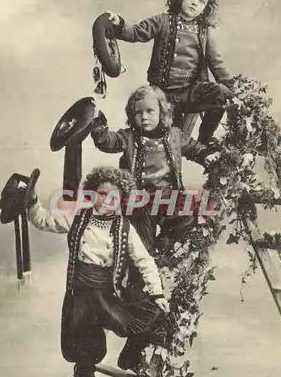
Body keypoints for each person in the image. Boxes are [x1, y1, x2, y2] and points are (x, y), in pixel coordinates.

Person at [27, 166, 169, 377]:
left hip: (108, 294)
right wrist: (32, 201)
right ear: (93, 195)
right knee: (85, 354)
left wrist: (157, 292)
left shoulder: (124, 228)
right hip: (80, 297)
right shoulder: (78, 219)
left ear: (123, 200)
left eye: (115, 197)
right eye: (102, 194)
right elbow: (45, 220)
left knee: (154, 315)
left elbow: (144, 261)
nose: (108, 201)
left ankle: (129, 355)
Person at [106, 0, 235, 144]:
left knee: (222, 94)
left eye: (202, 1)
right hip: (161, 94)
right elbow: (137, 32)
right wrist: (119, 24)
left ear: (206, 8)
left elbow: (216, 62)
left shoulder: (204, 31)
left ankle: (205, 137)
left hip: (189, 92)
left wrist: (233, 88)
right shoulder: (163, 21)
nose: (195, 3)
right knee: (170, 142)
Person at [91, 84, 218, 255]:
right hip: (140, 202)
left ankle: (163, 242)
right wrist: (98, 123)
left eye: (150, 111)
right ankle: (147, 259)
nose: (144, 117)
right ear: (131, 115)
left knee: (189, 216)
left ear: (162, 111)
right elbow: (108, 142)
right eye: (138, 112)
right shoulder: (128, 137)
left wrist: (205, 155)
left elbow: (194, 148)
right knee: (141, 245)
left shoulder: (174, 135)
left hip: (168, 198)